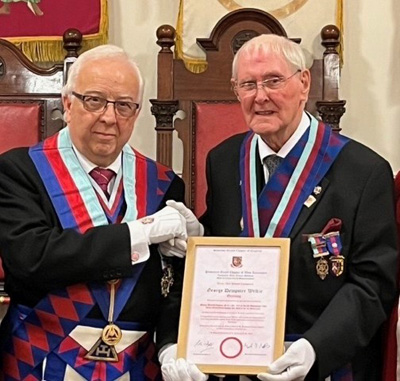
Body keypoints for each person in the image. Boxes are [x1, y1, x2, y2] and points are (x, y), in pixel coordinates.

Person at [162, 34, 399, 380]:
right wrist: (199, 238)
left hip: (323, 365)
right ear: (235, 90)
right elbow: (227, 250)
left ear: (304, 83)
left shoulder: (363, 172)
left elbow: (373, 282)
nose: (260, 96)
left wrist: (316, 347)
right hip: (233, 363)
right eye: (248, 84)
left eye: (273, 81)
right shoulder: (224, 161)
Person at [0, 44, 190, 380]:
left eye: (124, 106)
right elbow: (31, 259)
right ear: (68, 103)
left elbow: (175, 286)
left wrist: (173, 343)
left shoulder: (163, 183)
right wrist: (139, 233)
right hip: (41, 358)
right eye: (95, 100)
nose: (108, 117)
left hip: (135, 365)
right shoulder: (19, 171)